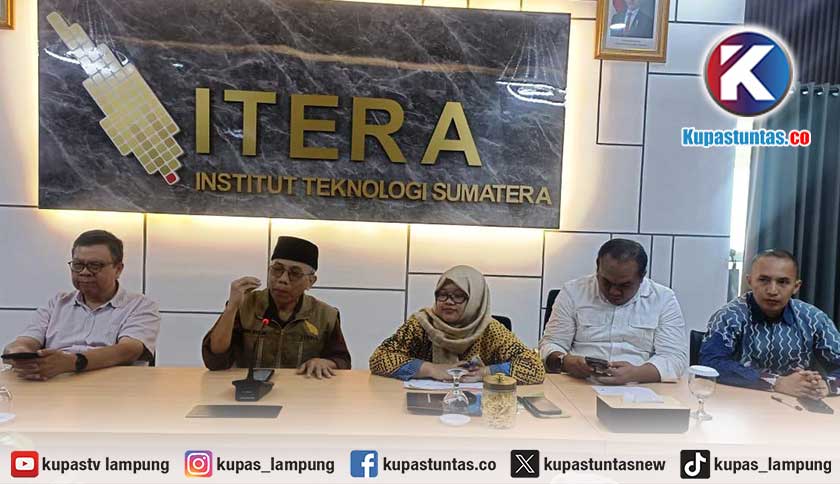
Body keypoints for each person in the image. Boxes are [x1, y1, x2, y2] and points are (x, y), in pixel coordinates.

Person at [2, 230, 160, 380]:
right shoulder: (57, 303)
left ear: (118, 269)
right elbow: (27, 340)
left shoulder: (140, 305)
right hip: (55, 385)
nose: (84, 272)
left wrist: (73, 362)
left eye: (95, 265)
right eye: (78, 265)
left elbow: (128, 350)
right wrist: (19, 353)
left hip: (114, 388)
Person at [539, 239, 687, 384]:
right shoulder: (573, 292)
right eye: (606, 282)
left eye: (625, 285)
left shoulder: (663, 299)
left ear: (642, 277)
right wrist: (565, 361)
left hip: (640, 386)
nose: (614, 291)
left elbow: (675, 359)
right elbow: (550, 344)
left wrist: (635, 374)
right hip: (579, 383)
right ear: (597, 269)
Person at [203, 236, 350, 378]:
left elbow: (342, 360)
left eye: (295, 273)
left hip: (302, 389)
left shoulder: (326, 315)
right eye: (277, 269)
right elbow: (216, 359)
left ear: (311, 281)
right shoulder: (246, 305)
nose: (283, 279)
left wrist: (326, 362)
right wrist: (232, 308)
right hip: (251, 388)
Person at [699, 249, 840, 399]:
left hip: (795, 404)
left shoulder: (814, 318)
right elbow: (710, 363)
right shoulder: (729, 316)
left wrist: (826, 385)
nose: (772, 291)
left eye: (783, 282)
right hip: (739, 402)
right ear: (750, 281)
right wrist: (776, 382)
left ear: (796, 286)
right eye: (763, 280)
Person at [369, 265, 544, 384]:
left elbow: (534, 367)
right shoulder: (422, 324)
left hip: (479, 409)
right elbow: (379, 358)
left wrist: (485, 373)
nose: (448, 301)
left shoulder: (490, 329)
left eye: (459, 296)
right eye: (442, 294)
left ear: (476, 299)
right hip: (425, 404)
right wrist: (432, 369)